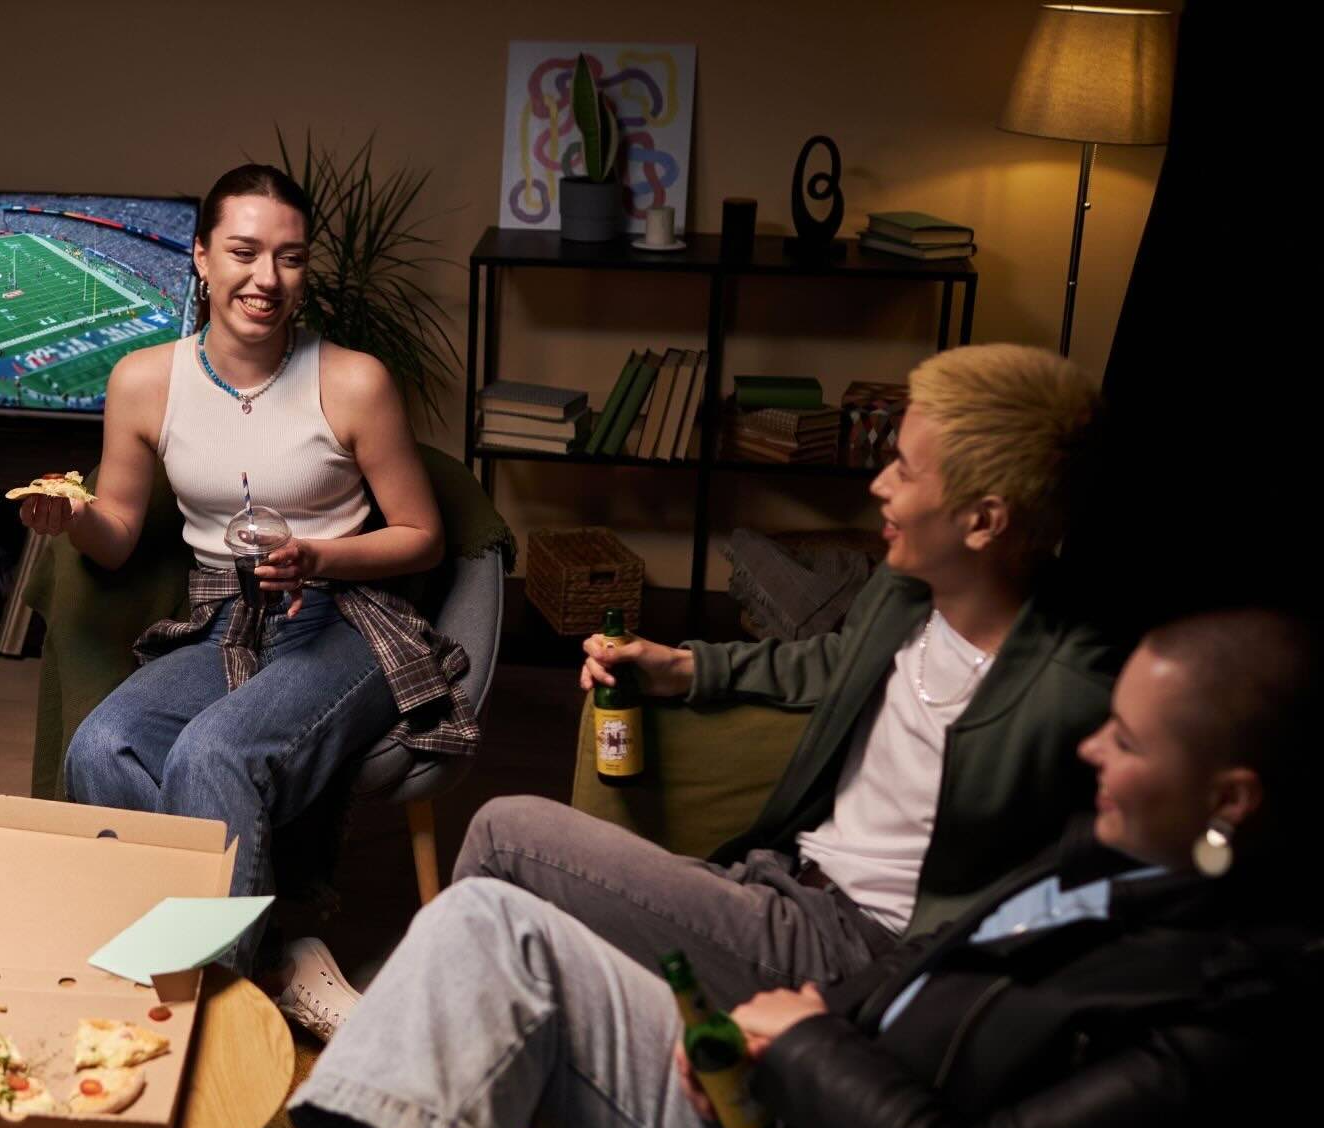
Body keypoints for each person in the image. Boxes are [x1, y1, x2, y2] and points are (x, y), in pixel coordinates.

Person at [286, 608, 1324, 1128]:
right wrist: (797, 1024)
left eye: (1130, 741)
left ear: (1229, 798)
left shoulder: (1234, 1006)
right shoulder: (1105, 853)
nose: (1091, 746)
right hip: (790, 1106)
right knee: (483, 921)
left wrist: (804, 1049)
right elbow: (924, 967)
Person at [455, 344, 1116, 1007]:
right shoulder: (911, 587)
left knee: (501, 838)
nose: (878, 484)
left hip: (855, 952)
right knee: (523, 953)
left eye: (906, 472)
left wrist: (851, 1014)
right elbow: (836, 660)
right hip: (778, 875)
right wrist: (682, 667)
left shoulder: (1074, 699)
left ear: (985, 521)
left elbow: (1070, 910)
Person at [19, 164, 476, 1032]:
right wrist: (67, 518)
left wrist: (321, 558)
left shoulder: (354, 381)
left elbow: (424, 535)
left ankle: (213, 1018)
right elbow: (115, 530)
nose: (267, 278)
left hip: (345, 620)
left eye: (291, 257)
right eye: (244, 251)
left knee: (215, 754)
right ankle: (260, 952)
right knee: (100, 747)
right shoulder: (144, 381)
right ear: (199, 257)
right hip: (222, 616)